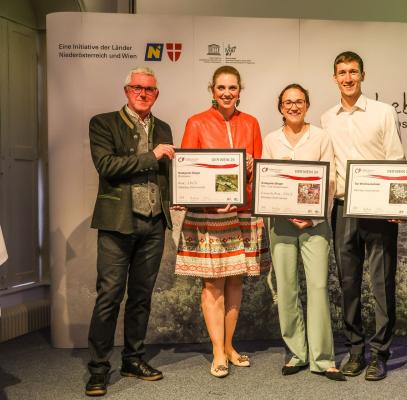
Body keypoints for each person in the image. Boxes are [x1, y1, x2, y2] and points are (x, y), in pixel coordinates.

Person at [175, 65, 270, 378]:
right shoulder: (196, 122)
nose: (227, 93)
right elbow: (188, 172)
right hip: (209, 214)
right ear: (212, 90)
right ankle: (217, 350)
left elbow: (255, 172)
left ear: (240, 90)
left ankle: (229, 345)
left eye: (232, 88)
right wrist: (208, 199)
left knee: (235, 280)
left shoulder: (252, 122)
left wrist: (254, 165)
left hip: (242, 212)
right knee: (213, 282)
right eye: (221, 88)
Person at [86, 66, 174, 397]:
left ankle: (133, 359)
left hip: (153, 224)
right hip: (116, 223)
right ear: (126, 91)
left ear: (156, 94)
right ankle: (97, 368)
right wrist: (151, 156)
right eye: (136, 87)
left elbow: (166, 176)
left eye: (149, 89)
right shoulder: (103, 123)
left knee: (141, 296)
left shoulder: (163, 127)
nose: (142, 93)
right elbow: (106, 166)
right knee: (109, 296)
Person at [320, 51, 405, 381]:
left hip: (380, 211)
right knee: (348, 284)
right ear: (334, 78)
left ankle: (381, 353)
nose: (347, 77)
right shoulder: (327, 119)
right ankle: (356, 351)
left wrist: (397, 206)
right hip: (343, 210)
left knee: (382, 285)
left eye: (353, 71)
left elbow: (396, 161)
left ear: (363, 75)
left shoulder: (383, 112)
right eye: (341, 72)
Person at [263, 83, 345, 381]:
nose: (293, 106)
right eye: (288, 102)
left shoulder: (321, 136)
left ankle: (323, 359)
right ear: (280, 107)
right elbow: (268, 183)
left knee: (319, 287)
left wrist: (314, 217)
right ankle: (297, 353)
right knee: (286, 288)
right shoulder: (271, 139)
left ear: (307, 105)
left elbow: (331, 179)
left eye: (299, 101)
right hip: (281, 224)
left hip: (315, 224)